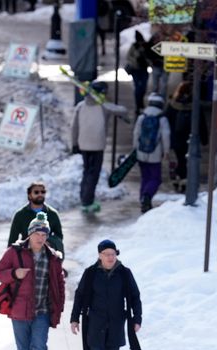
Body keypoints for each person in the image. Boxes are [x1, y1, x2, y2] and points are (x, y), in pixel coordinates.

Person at [0, 212, 66, 350]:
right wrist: (14, 273)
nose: (41, 238)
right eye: (38, 234)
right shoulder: (15, 252)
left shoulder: (52, 257)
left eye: (44, 235)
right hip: (19, 311)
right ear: (30, 234)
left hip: (42, 312)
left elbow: (59, 283)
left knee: (41, 348)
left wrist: (59, 307)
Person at [70, 239, 142, 350]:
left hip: (116, 323)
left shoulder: (124, 273)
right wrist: (74, 318)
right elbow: (80, 296)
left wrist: (137, 319)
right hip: (95, 323)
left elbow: (135, 296)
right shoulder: (90, 273)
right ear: (99, 255)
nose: (110, 257)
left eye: (113, 254)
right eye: (107, 254)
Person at [71, 81, 126, 213]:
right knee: (93, 174)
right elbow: (122, 110)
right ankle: (87, 201)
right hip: (97, 145)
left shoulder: (80, 106)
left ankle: (84, 197)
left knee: (86, 171)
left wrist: (74, 144)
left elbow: (74, 127)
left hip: (83, 144)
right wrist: (107, 103)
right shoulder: (103, 106)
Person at [165, 79, 208, 192]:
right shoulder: (195, 106)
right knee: (186, 160)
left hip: (175, 138)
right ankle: (184, 180)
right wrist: (204, 139)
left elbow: (166, 122)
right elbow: (201, 123)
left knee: (178, 159)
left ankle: (178, 179)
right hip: (189, 138)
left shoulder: (172, 105)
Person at [133, 93, 171, 213]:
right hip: (155, 153)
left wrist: (135, 149)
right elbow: (166, 135)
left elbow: (136, 133)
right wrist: (166, 151)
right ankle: (147, 196)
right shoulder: (162, 118)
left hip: (141, 152)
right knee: (156, 178)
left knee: (145, 177)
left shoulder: (142, 117)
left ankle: (142, 199)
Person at [8, 181, 64, 257]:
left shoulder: (52, 214)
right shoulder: (20, 215)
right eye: (36, 192)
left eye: (43, 192)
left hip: (47, 253)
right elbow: (12, 240)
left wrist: (49, 242)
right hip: (26, 253)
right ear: (29, 195)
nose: (40, 194)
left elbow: (59, 236)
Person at [125, 31, 150, 116]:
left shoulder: (145, 46)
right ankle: (138, 106)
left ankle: (140, 103)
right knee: (137, 88)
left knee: (143, 88)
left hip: (144, 69)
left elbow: (149, 57)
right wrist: (135, 58)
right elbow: (128, 56)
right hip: (135, 69)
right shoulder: (134, 46)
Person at [146, 33, 168, 97]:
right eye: (157, 38)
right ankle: (153, 100)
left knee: (164, 85)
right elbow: (148, 55)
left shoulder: (165, 45)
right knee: (155, 86)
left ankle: (162, 101)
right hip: (156, 66)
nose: (158, 39)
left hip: (165, 66)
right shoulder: (151, 46)